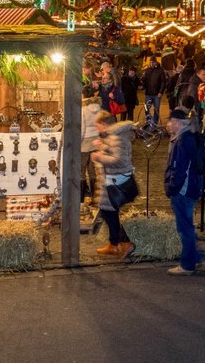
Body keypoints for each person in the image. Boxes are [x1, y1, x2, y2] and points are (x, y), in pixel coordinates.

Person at [164, 108, 205, 275]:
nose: (168, 125)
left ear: (178, 123)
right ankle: (197, 257)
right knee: (187, 225)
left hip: (183, 190)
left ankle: (188, 264)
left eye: (170, 121)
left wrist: (171, 188)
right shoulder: (191, 137)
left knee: (184, 227)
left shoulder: (182, 141)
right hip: (192, 187)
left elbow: (178, 169)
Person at [90, 114, 137, 258]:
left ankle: (125, 243)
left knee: (108, 212)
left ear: (104, 125)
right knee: (107, 212)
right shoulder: (113, 136)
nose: (96, 129)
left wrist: (99, 157)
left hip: (116, 181)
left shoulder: (117, 137)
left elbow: (120, 160)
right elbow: (115, 150)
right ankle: (113, 244)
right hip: (111, 179)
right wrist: (102, 146)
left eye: (97, 126)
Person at [80, 94, 103, 204]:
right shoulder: (98, 109)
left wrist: (78, 142)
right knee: (92, 170)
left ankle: (80, 199)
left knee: (81, 171)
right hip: (95, 142)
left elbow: (82, 128)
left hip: (84, 143)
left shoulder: (83, 110)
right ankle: (95, 198)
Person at [141, 56, 167, 126]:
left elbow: (163, 82)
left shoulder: (160, 70)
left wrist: (161, 92)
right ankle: (148, 121)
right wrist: (142, 85)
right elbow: (144, 80)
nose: (151, 63)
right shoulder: (147, 70)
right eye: (150, 62)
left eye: (152, 62)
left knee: (156, 109)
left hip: (156, 94)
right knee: (147, 108)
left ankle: (154, 123)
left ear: (155, 62)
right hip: (148, 93)